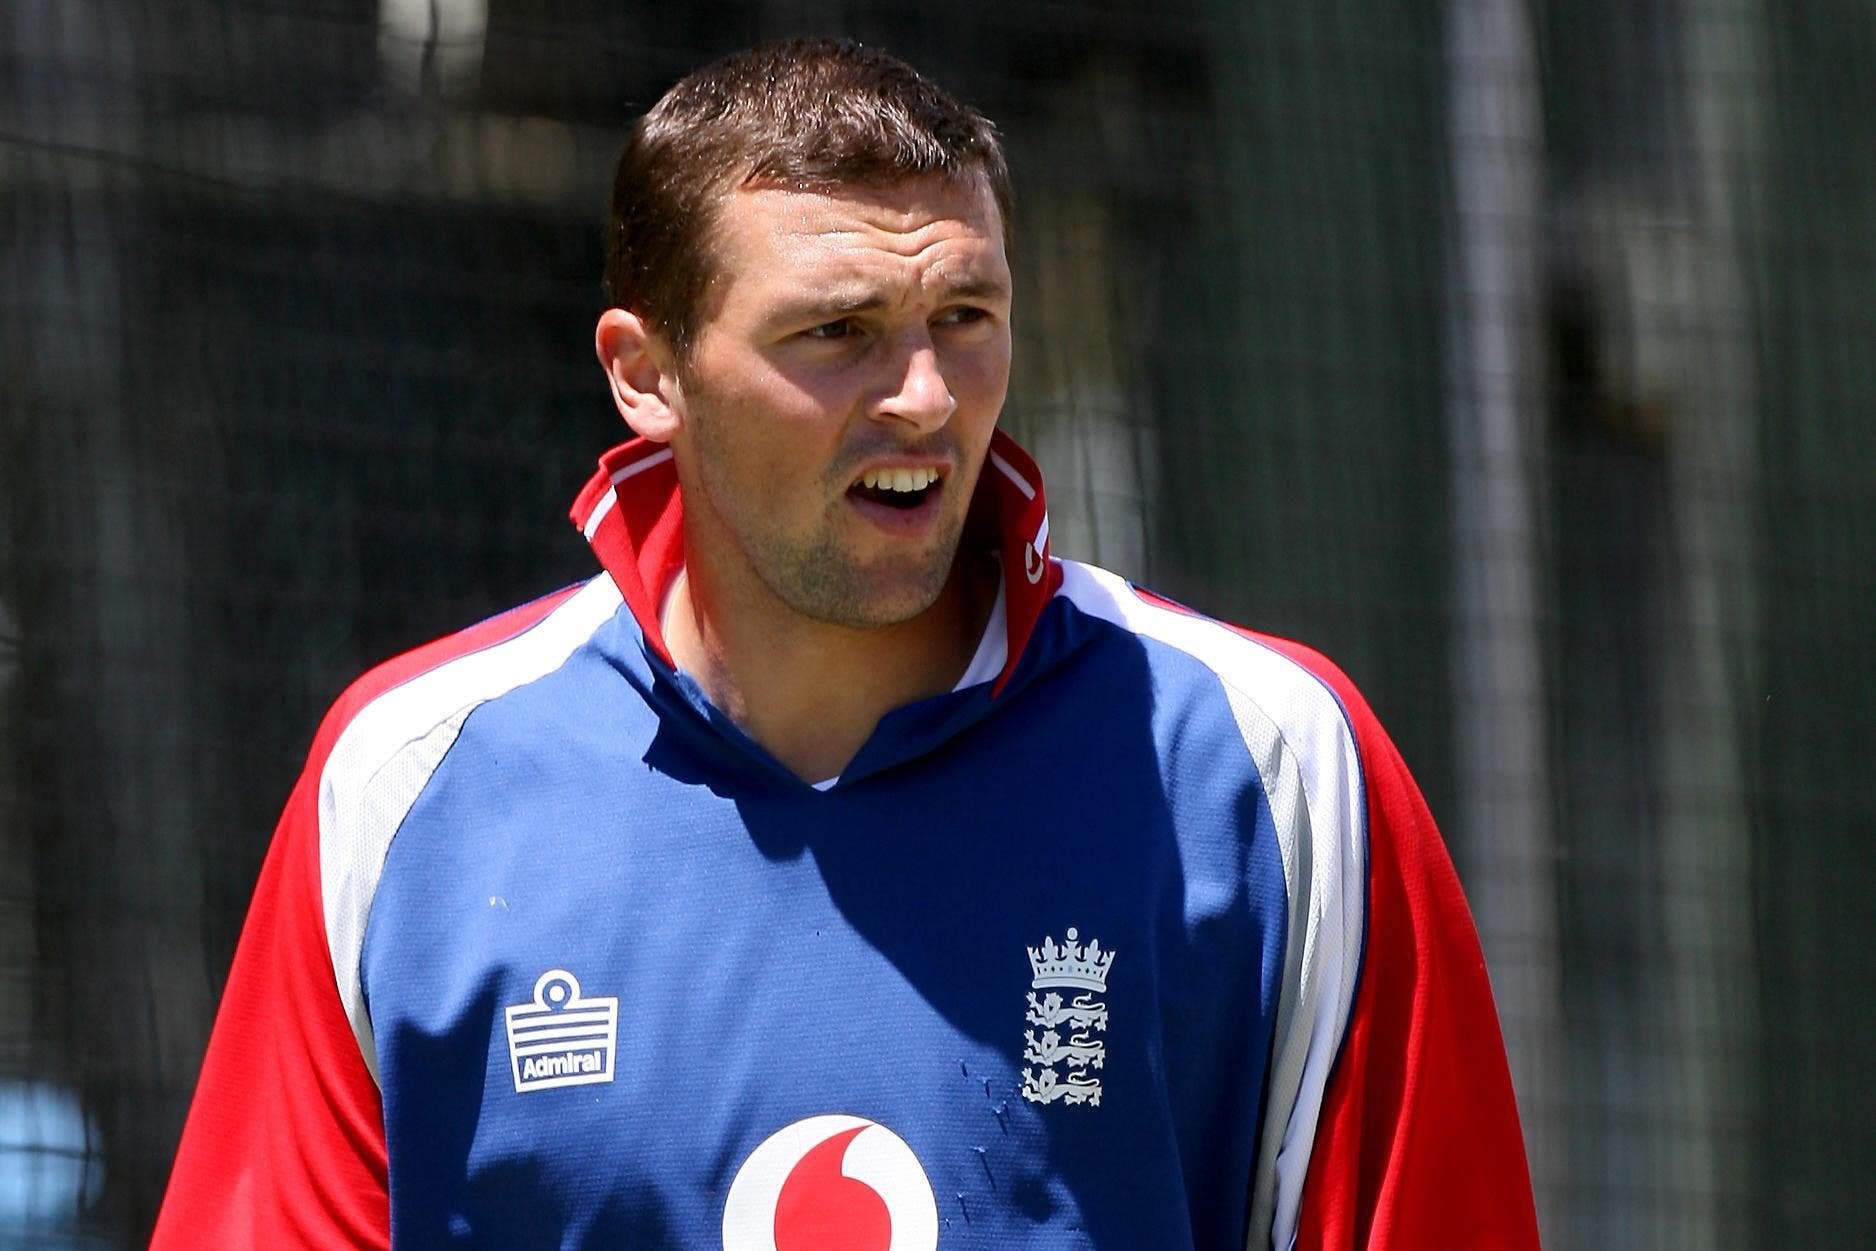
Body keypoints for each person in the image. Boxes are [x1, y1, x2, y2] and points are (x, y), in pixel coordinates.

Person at [153, 38, 1539, 1250]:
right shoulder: (408, 790)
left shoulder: (1269, 768)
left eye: (966, 318)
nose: (926, 397)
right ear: (647, 373)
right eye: (840, 334)